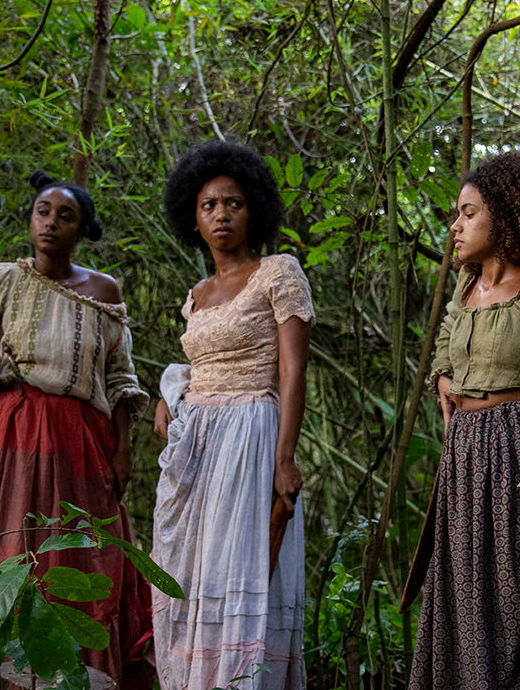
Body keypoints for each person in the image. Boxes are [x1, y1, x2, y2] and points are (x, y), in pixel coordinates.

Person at [0, 172, 153, 688]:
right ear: (30, 218)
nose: (51, 223)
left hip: (79, 438)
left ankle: (82, 676)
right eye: (42, 211)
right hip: (10, 433)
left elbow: (120, 378)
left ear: (82, 229)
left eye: (65, 216)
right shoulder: (1, 280)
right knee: (7, 548)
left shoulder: (103, 291)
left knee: (82, 553)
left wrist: (124, 449)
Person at [402, 152, 520, 690]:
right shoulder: (467, 285)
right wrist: (443, 375)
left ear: (507, 216)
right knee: (469, 617)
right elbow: (446, 338)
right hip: (466, 465)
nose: (455, 226)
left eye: (468, 213)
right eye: (456, 215)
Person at [151, 140, 311, 690]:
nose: (222, 214)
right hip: (197, 446)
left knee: (243, 571)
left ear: (255, 211)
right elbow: (200, 363)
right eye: (209, 205)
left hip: (251, 435)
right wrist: (170, 392)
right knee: (193, 573)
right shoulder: (195, 295)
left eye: (234, 203)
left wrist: (284, 457)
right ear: (193, 220)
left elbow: (293, 371)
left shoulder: (278, 272)